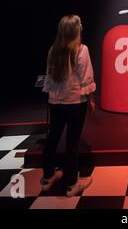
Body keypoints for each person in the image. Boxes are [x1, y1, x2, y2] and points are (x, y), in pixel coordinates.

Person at [41, 14, 96, 197]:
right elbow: (85, 77)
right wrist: (91, 99)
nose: (82, 27)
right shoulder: (82, 49)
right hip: (74, 103)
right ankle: (72, 183)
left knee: (53, 138)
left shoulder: (53, 50)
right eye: (80, 24)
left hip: (55, 102)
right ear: (75, 29)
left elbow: (49, 77)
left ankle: (48, 176)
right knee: (72, 142)